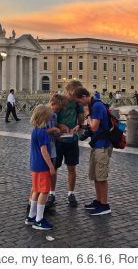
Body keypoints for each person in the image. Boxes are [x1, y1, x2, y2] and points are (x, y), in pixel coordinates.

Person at [74, 87, 112, 215]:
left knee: (101, 176)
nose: (80, 104)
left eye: (79, 101)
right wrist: (80, 126)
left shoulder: (97, 107)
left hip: (102, 145)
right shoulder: (93, 106)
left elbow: (95, 127)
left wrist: (87, 114)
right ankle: (99, 200)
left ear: (85, 96)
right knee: (96, 175)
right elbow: (92, 126)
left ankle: (105, 205)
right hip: (97, 145)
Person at [25, 105, 56, 230]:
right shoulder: (43, 132)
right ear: (45, 117)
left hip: (34, 165)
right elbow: (44, 151)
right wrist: (51, 167)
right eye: (49, 117)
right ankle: (39, 219)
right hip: (43, 166)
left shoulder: (35, 130)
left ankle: (31, 216)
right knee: (44, 191)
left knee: (36, 190)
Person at [55, 80, 84, 208]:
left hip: (72, 139)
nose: (76, 97)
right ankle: (51, 193)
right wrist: (60, 125)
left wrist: (79, 125)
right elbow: (51, 117)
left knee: (72, 167)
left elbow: (81, 118)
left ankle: (71, 193)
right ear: (68, 91)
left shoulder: (78, 103)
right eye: (74, 94)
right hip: (58, 140)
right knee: (54, 168)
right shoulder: (59, 101)